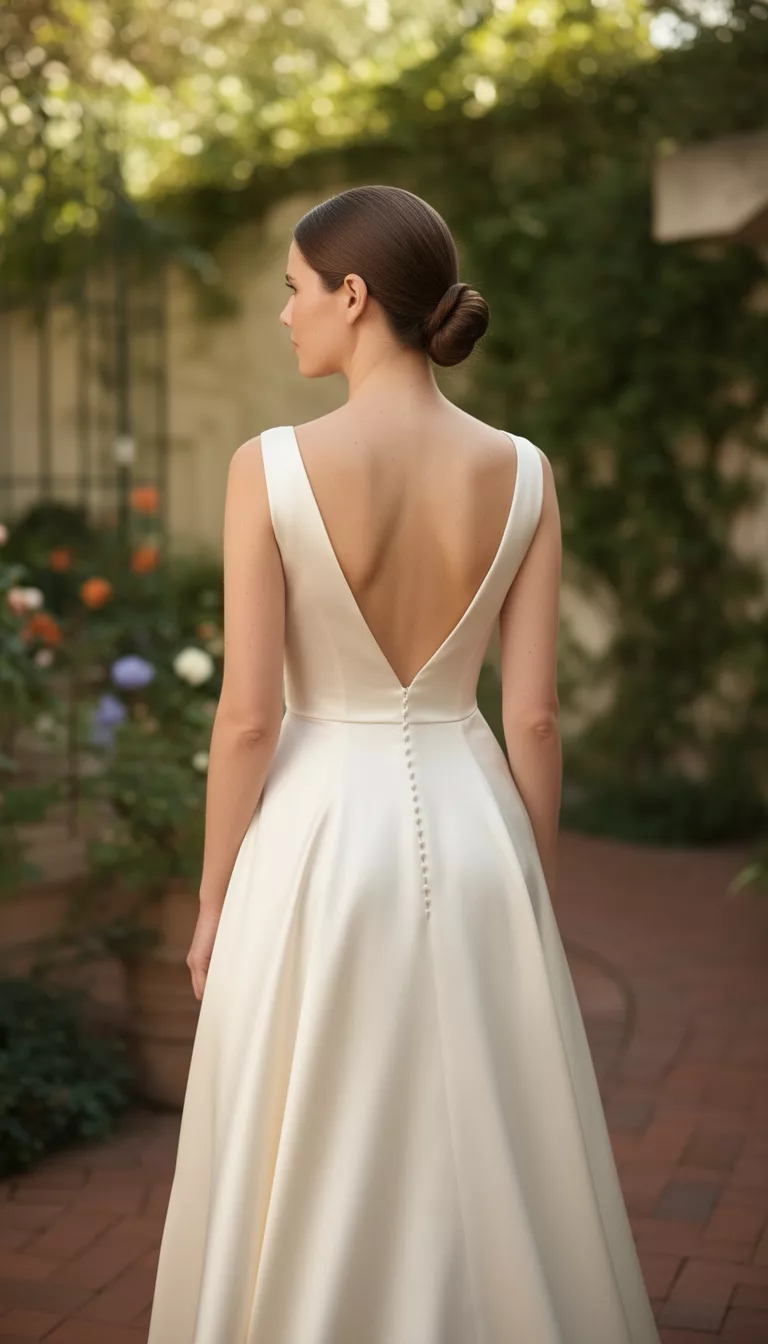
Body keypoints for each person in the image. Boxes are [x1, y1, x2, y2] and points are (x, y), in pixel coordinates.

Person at [147, 185, 661, 1344]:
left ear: (353, 294)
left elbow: (245, 719)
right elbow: (532, 716)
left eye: (291, 289)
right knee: (494, 1137)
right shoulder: (524, 471)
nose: (283, 315)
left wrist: (213, 891)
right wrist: (531, 877)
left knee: (316, 1125)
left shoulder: (269, 465)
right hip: (474, 819)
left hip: (319, 834)